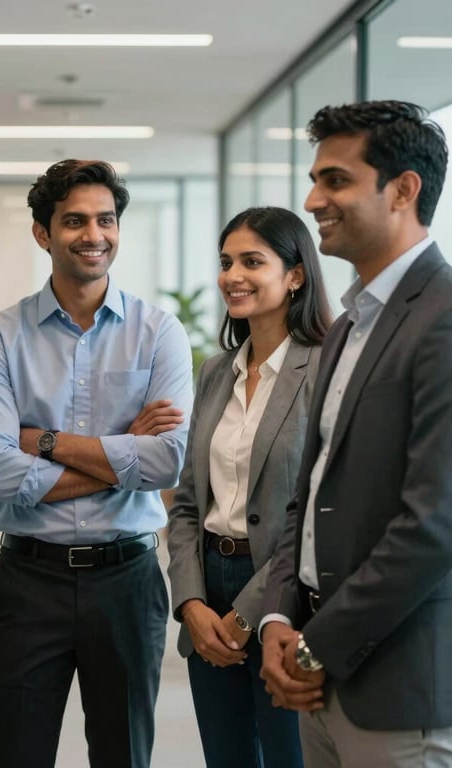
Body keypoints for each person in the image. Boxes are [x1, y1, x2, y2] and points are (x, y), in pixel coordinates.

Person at [0, 159, 194, 768]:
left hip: (127, 578)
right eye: (74, 221)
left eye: (106, 220)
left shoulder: (158, 332)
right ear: (43, 233)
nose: (93, 234)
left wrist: (43, 441)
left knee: (124, 756)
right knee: (17, 754)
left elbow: (169, 460)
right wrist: (124, 451)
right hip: (28, 581)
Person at [259, 100, 452, 767]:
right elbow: (309, 495)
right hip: (321, 671)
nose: (313, 199)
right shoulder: (347, 324)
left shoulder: (444, 318)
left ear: (404, 190)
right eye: (315, 179)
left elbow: (434, 523)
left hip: (399, 686)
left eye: (335, 180)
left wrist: (316, 646)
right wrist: (281, 618)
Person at [167, 206, 332, 767]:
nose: (232, 275)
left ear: (295, 275)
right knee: (227, 757)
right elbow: (188, 500)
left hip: (286, 597)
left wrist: (247, 614)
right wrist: (190, 601)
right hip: (208, 587)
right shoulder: (216, 371)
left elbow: (318, 511)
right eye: (226, 262)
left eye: (252, 261)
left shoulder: (327, 368)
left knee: (290, 756)